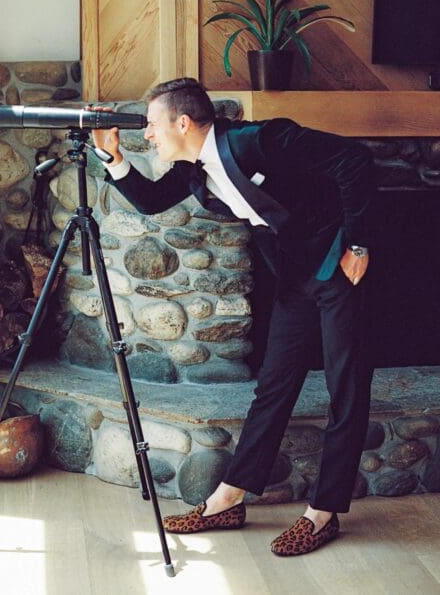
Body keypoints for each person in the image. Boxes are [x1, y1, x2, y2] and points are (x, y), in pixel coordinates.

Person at [91, 77, 375, 556]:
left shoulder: (261, 140)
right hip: (293, 277)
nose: (148, 135)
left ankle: (323, 513)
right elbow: (153, 201)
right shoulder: (194, 167)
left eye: (153, 125)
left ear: (183, 122)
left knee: (345, 388)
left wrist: (359, 243)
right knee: (274, 385)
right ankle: (230, 496)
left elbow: (355, 160)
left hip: (339, 267)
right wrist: (113, 158)